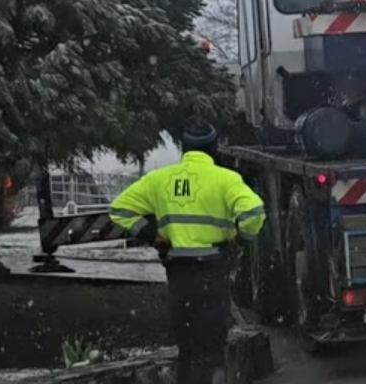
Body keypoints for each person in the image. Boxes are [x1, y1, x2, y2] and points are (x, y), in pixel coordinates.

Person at [110, 120, 266, 384]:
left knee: (187, 348)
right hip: (213, 270)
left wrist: (155, 237)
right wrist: (240, 239)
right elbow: (253, 213)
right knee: (210, 348)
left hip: (179, 273)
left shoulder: (160, 180)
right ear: (213, 148)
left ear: (184, 149)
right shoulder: (226, 180)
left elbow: (119, 209)